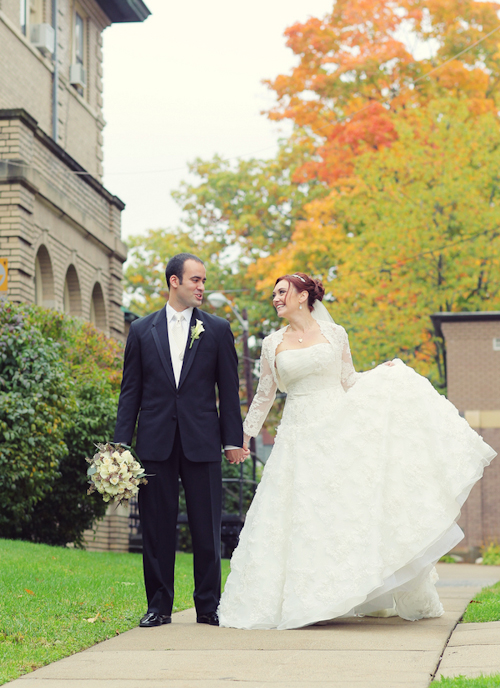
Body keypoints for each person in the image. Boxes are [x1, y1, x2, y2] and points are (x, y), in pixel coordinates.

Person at [218, 273, 496, 630]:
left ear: (303, 296)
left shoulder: (336, 334)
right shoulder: (273, 343)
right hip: (299, 435)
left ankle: (355, 590)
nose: (275, 298)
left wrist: (383, 374)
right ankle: (308, 596)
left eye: (282, 292)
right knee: (301, 513)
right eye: (274, 293)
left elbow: (349, 380)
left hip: (338, 427)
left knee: (343, 510)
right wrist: (245, 435)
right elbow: (265, 395)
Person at [114, 253, 247, 627]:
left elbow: (228, 389)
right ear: (175, 282)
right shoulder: (141, 330)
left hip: (202, 439)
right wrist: (120, 447)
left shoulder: (218, 330)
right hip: (155, 441)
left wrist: (232, 440)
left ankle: (208, 606)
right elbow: (130, 392)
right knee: (156, 527)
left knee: (207, 526)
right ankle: (158, 606)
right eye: (196, 280)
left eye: (204, 281)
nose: (202, 287)